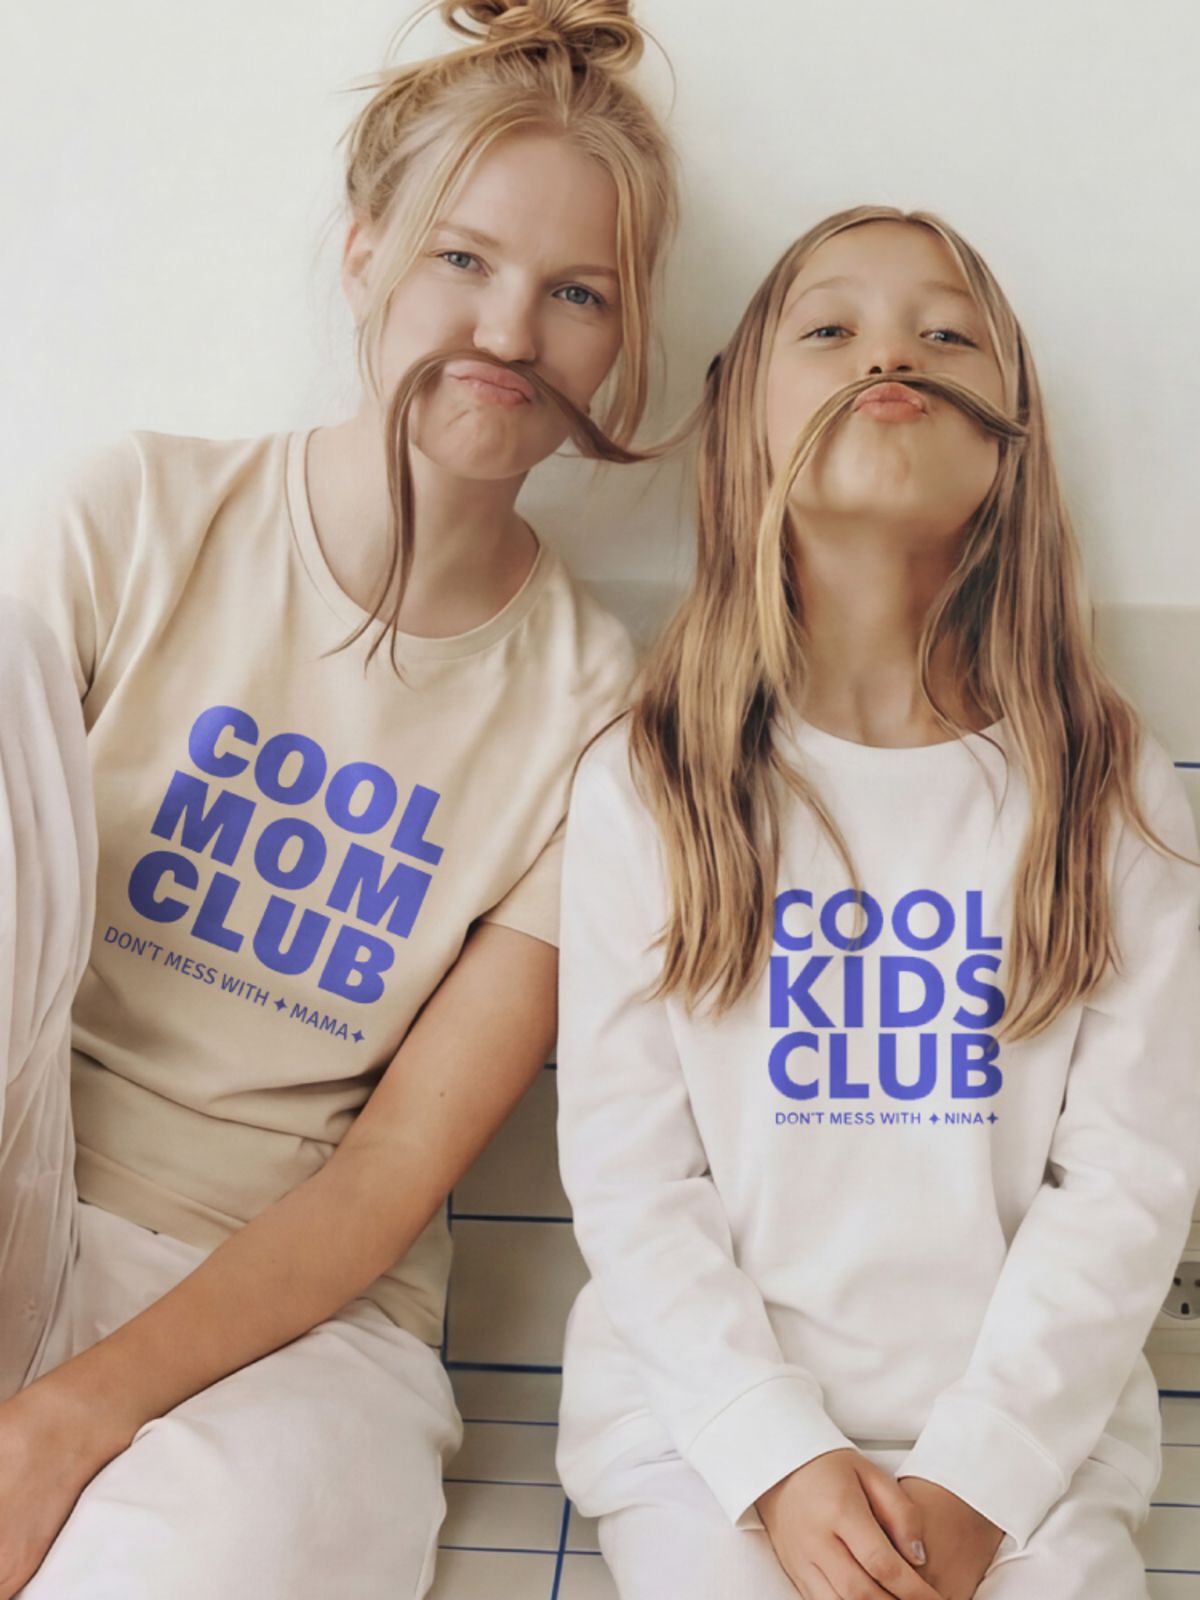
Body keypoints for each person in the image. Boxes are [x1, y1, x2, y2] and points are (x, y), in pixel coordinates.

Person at [0, 2, 676, 1595]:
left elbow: (391, 1171)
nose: (510, 331)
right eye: (462, 257)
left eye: (577, 292)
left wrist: (63, 1422)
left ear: (621, 339)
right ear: (365, 254)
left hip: (297, 1306)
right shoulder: (135, 514)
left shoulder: (599, 714)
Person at [555, 204, 1200, 1600]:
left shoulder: (1111, 785)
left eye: (946, 334)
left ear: (1011, 437)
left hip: (1030, 1454)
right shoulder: (649, 780)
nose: (889, 354)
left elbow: (1128, 1184)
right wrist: (777, 1456)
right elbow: (633, 1178)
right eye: (831, 327)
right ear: (745, 421)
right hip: (704, 1437)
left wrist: (980, 1474)